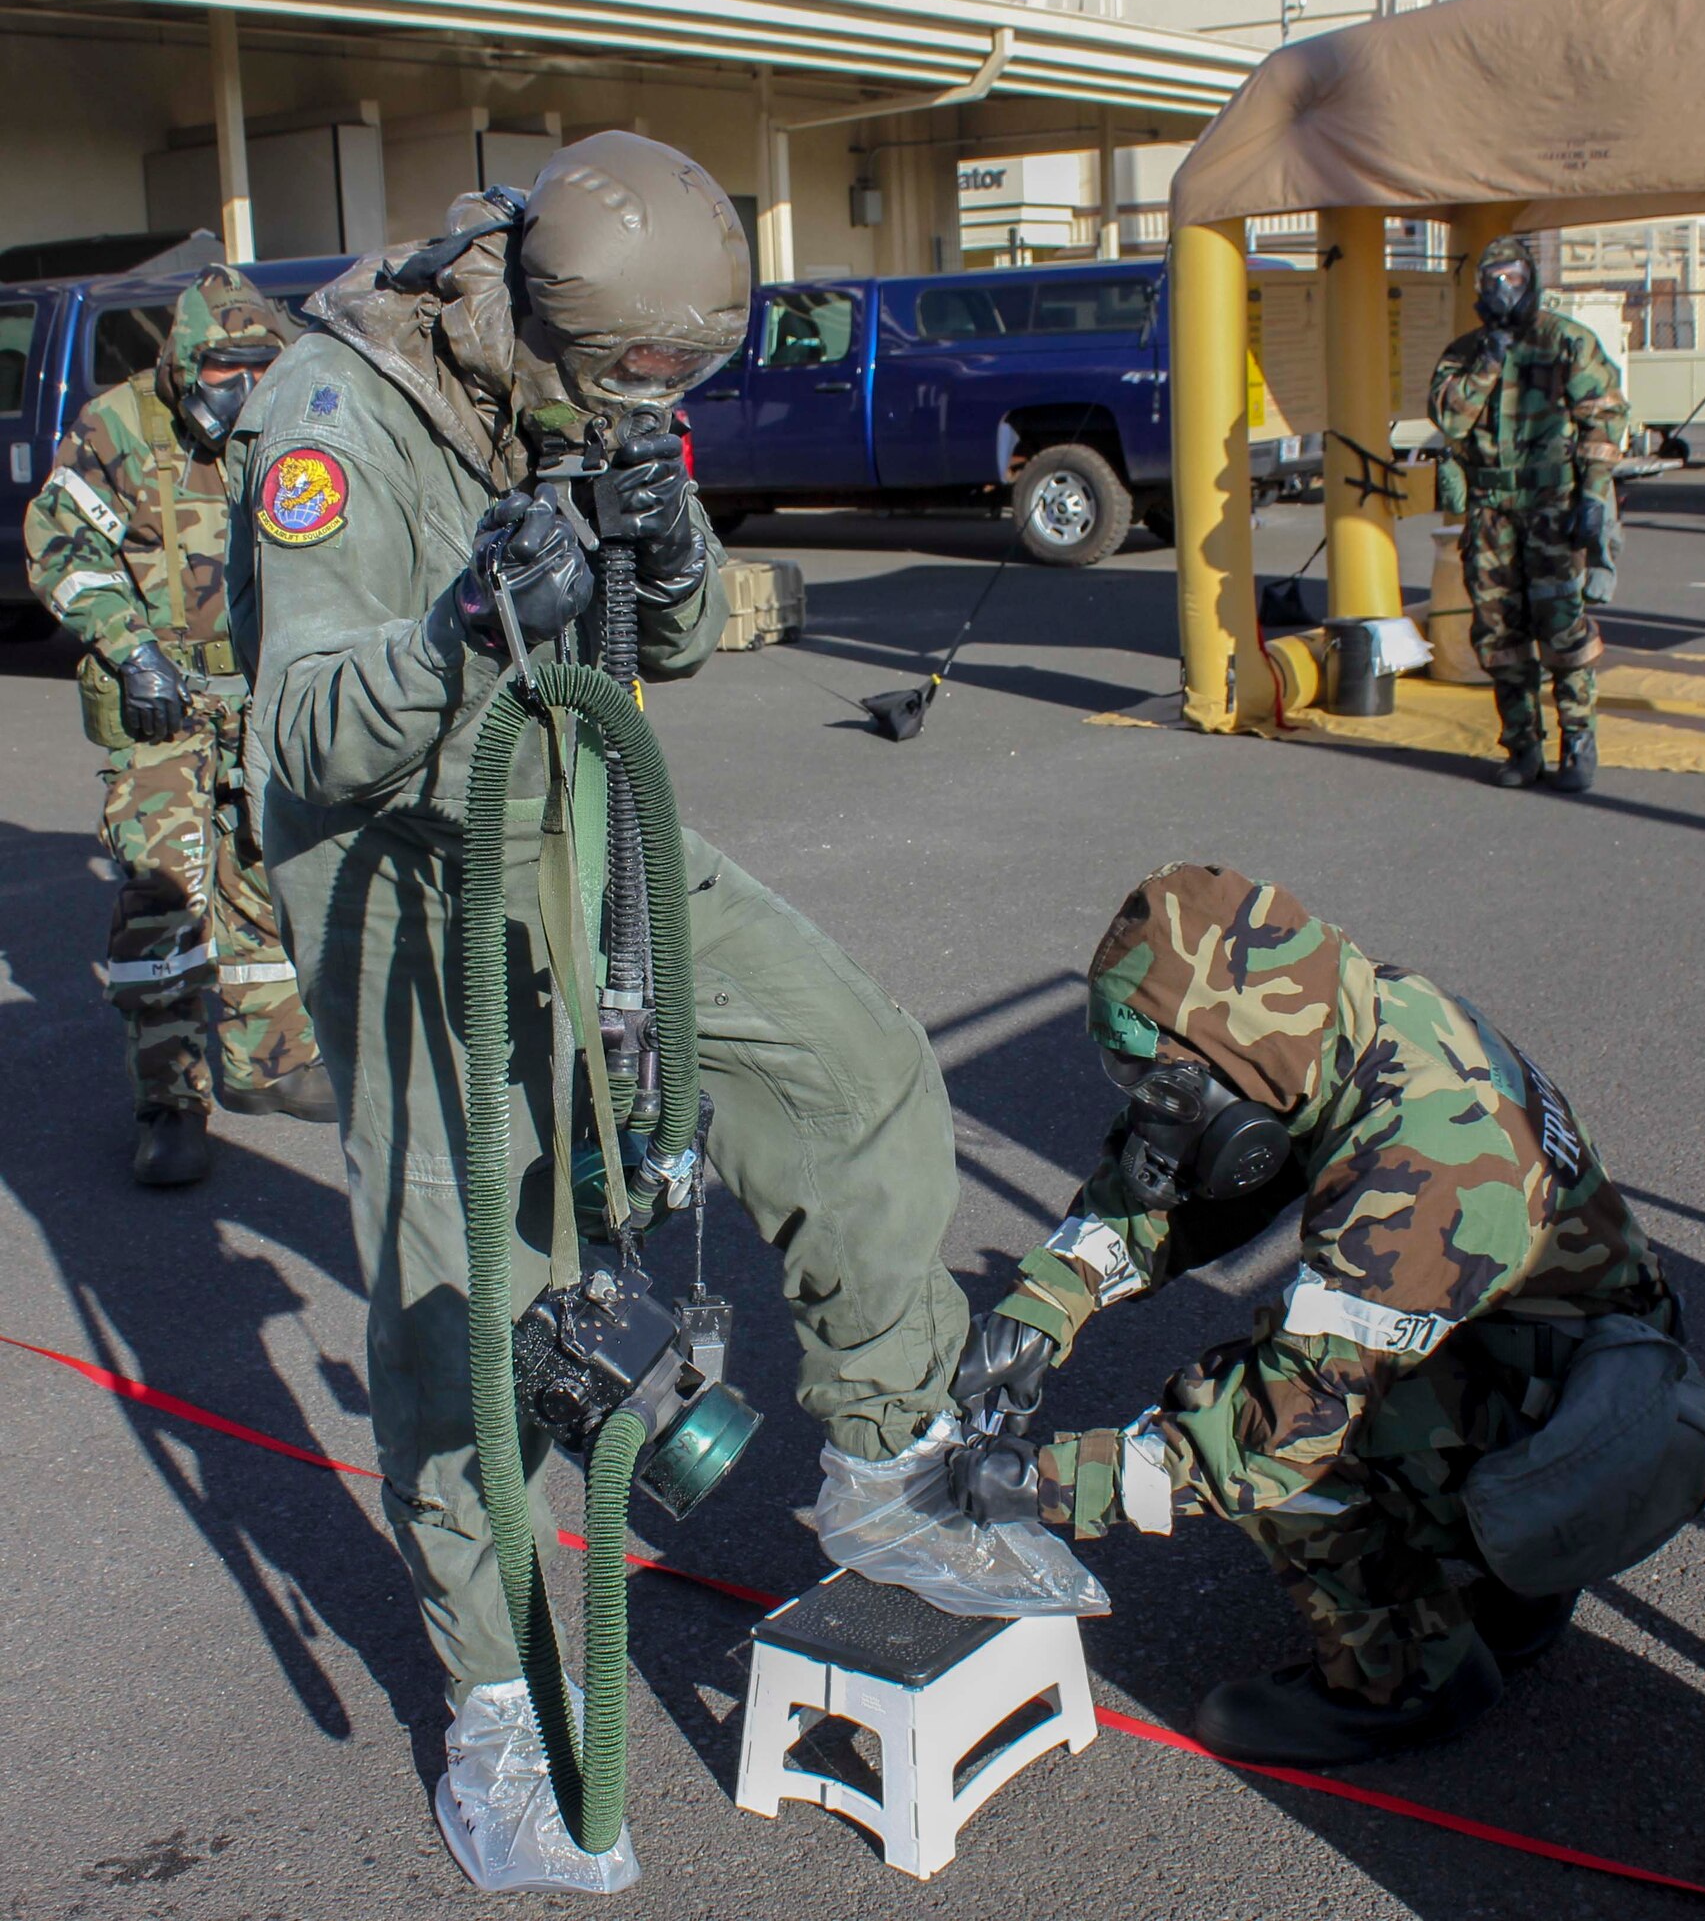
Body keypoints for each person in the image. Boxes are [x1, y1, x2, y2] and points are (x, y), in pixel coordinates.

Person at [226, 135, 1078, 1893]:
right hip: (413, 887)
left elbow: (667, 641)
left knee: (852, 1069)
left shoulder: (586, 384)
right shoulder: (333, 415)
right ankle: (492, 1699)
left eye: (668, 387)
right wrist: (467, 622)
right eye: (623, 383)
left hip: (583, 823)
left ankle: (887, 1459)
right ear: (533, 314)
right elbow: (296, 740)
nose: (639, 403)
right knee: (474, 1308)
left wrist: (652, 526)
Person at [946, 862, 1701, 1768]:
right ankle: (1521, 1583)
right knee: (1357, 1388)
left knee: (1266, 1427)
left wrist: (1050, 1482)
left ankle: (1404, 1679)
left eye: (1166, 1085)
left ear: (1238, 1050)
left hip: (1603, 1441)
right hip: (1560, 1356)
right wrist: (1046, 1302)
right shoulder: (1352, 1018)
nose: (1151, 1108)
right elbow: (1183, 1183)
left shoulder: (1423, 1158)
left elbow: (1276, 1427)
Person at [24, 265, 332, 1187]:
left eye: (254, 374)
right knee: (165, 894)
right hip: (160, 703)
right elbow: (60, 544)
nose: (235, 395)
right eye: (219, 374)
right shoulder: (118, 425)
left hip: (259, 700)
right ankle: (170, 1100)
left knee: (263, 878)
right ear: (184, 363)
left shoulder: (287, 429)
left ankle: (267, 1059)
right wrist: (131, 648)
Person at [1429, 235, 1628, 794]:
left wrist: (1592, 498)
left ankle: (1578, 738)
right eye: (1493, 279)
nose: (1503, 289)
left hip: (1552, 508)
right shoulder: (1465, 353)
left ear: (1531, 279)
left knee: (1562, 626)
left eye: (1513, 278)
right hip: (1491, 512)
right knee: (1498, 633)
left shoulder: (1566, 341)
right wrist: (1488, 359)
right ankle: (1522, 744)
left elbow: (1604, 419)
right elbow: (1451, 420)